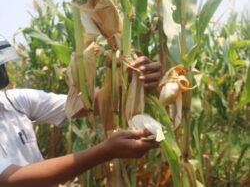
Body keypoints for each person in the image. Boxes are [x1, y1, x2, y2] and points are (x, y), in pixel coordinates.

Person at [0, 36, 162, 186]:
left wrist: (133, 85)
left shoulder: (15, 102)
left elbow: (91, 105)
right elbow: (11, 179)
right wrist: (105, 151)